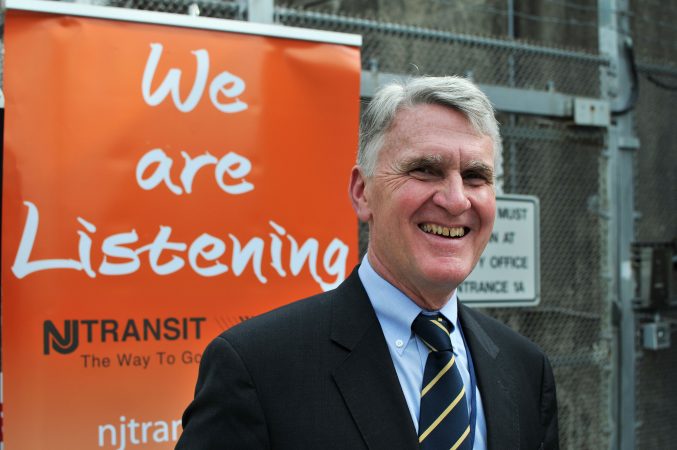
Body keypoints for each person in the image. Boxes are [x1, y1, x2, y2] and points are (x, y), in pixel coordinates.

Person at [176, 76, 559, 450]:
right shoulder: (257, 368)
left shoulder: (525, 367)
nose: (457, 200)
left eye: (476, 176)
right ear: (363, 193)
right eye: (425, 170)